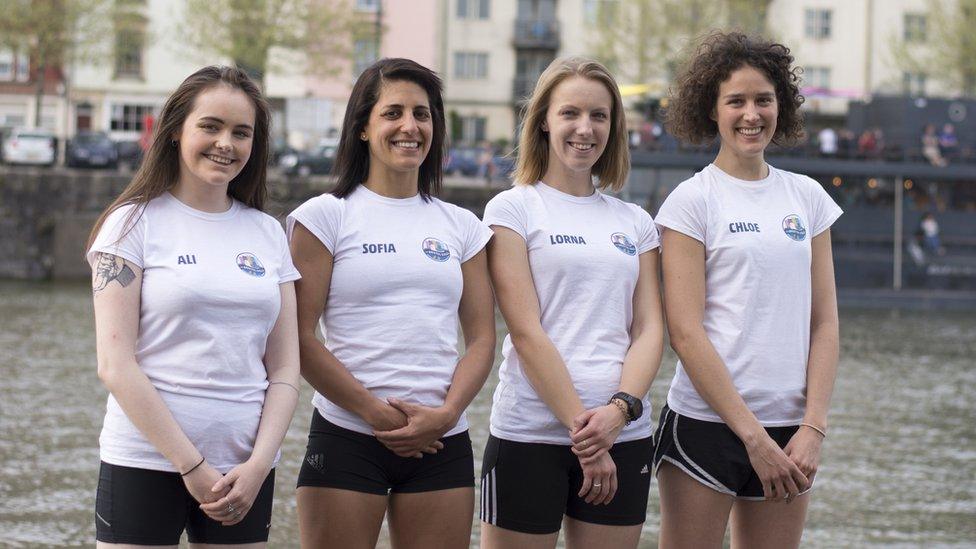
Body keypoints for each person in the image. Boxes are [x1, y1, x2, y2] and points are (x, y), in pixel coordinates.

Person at [87, 65, 300, 547]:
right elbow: (115, 365)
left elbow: (286, 369)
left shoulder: (268, 233)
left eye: (241, 133)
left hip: (244, 470)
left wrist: (259, 465)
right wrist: (192, 465)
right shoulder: (131, 224)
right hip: (145, 460)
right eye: (211, 126)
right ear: (176, 130)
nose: (226, 142)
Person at [288, 58, 495, 549]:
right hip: (348, 434)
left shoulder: (462, 225)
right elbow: (297, 337)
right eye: (393, 113)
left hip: (441, 439)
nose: (410, 126)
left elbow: (484, 339)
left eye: (422, 114)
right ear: (362, 127)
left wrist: (445, 414)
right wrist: (374, 412)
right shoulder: (324, 217)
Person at [653, 32, 842, 549]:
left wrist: (813, 427)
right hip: (706, 426)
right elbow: (685, 333)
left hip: (792, 432)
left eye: (763, 99)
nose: (751, 114)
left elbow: (824, 322)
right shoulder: (691, 202)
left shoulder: (808, 198)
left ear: (782, 104)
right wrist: (752, 438)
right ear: (712, 110)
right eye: (735, 101)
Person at [480, 56, 665, 549]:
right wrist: (586, 436)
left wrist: (618, 414)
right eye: (570, 114)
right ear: (544, 120)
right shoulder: (513, 208)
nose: (585, 129)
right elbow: (525, 330)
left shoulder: (636, 222)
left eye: (599, 116)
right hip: (530, 435)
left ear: (614, 126)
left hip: (623, 437)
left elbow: (649, 331)